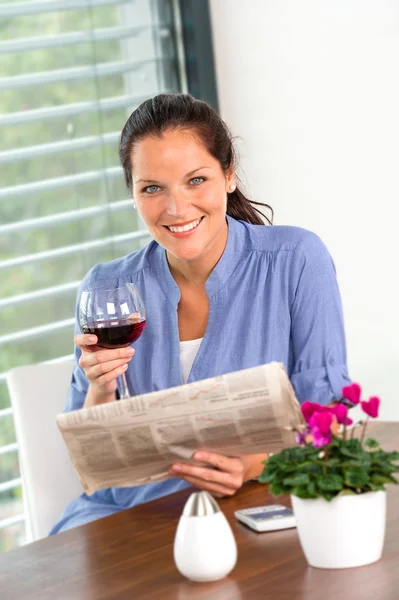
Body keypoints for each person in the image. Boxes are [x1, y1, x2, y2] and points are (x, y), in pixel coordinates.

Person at [50, 93, 350, 534]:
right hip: (129, 522)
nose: (176, 208)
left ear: (228, 175)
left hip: (254, 511)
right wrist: (100, 387)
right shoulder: (105, 290)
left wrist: (252, 465)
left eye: (196, 180)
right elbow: (93, 474)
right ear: (133, 195)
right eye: (152, 188)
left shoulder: (296, 260)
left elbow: (332, 424)